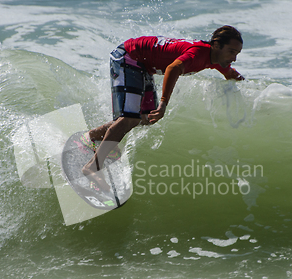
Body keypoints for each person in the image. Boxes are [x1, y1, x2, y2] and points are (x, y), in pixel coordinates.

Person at [82, 25, 244, 191]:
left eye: (237, 53)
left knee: (146, 118)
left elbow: (229, 72)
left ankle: (93, 136)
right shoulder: (197, 53)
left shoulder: (214, 58)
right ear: (216, 45)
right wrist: (163, 103)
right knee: (129, 118)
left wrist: (245, 84)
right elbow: (172, 68)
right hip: (129, 56)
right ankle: (92, 168)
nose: (234, 58)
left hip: (143, 65)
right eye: (232, 52)